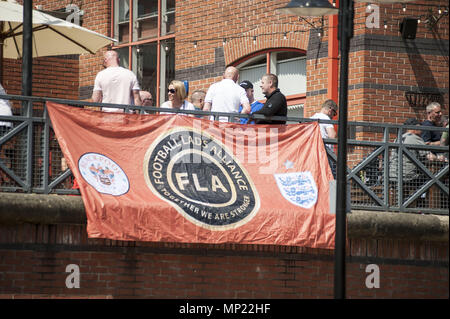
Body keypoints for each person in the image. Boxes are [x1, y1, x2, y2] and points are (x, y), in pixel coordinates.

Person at [389, 118, 437, 201]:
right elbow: (430, 157)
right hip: (408, 177)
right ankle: (424, 204)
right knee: (433, 180)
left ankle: (409, 202)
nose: (422, 131)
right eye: (420, 128)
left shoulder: (399, 138)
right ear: (416, 128)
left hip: (392, 176)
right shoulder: (415, 138)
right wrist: (439, 157)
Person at [310, 99, 338, 178]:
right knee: (331, 177)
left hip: (312, 153)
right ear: (330, 110)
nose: (333, 116)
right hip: (325, 153)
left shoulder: (311, 118)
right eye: (334, 113)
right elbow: (332, 135)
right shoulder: (326, 118)